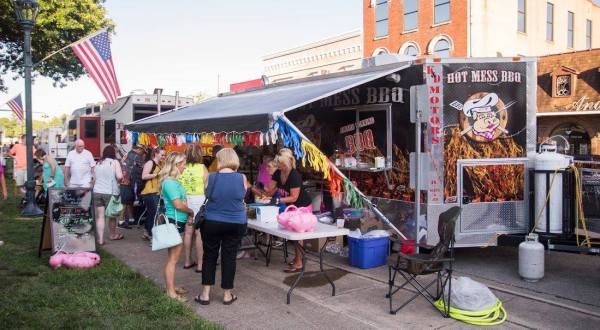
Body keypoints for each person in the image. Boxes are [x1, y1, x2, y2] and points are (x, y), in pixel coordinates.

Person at [195, 148, 249, 306]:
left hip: (212, 221)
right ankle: (227, 294)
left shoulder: (211, 177)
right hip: (235, 222)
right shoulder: (242, 178)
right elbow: (241, 196)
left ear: (220, 160)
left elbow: (208, 195)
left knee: (209, 256)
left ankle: (205, 294)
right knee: (229, 257)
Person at [264, 148, 311, 273]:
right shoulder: (278, 173)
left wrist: (278, 201)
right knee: (294, 235)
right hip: (291, 207)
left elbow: (294, 197)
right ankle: (297, 258)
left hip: (303, 207)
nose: (278, 165)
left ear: (287, 162)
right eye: (277, 163)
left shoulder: (294, 175)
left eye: (280, 163)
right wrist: (264, 186)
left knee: (298, 235)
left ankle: (299, 262)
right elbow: (269, 191)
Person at [159, 152, 195, 302]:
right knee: (173, 259)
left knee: (172, 258)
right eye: (183, 164)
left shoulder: (172, 181)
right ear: (176, 165)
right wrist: (190, 211)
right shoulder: (170, 183)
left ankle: (171, 287)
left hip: (175, 221)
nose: (185, 166)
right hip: (173, 221)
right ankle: (171, 292)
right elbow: (178, 204)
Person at [179, 144, 208, 272]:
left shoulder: (182, 167)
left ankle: (187, 261)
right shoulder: (202, 168)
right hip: (199, 200)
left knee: (188, 232)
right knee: (199, 233)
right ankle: (201, 264)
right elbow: (207, 187)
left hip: (185, 200)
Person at [93, 146, 124, 245]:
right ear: (113, 153)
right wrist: (121, 178)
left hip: (97, 191)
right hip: (110, 192)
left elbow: (93, 178)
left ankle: (100, 239)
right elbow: (119, 176)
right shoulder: (115, 162)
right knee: (112, 216)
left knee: (100, 217)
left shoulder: (98, 163)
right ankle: (112, 235)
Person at [140, 147, 165, 240]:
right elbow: (144, 176)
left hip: (156, 192)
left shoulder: (160, 164)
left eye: (164, 155)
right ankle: (151, 235)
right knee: (154, 214)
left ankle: (147, 232)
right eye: (162, 155)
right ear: (156, 154)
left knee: (152, 213)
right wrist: (158, 174)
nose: (164, 156)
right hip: (149, 192)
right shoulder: (150, 163)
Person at [118, 145, 145, 228]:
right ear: (139, 149)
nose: (143, 154)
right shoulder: (136, 156)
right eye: (143, 151)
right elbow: (141, 168)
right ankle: (121, 221)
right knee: (125, 202)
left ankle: (131, 219)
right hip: (129, 181)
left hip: (124, 181)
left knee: (129, 201)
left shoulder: (128, 154)